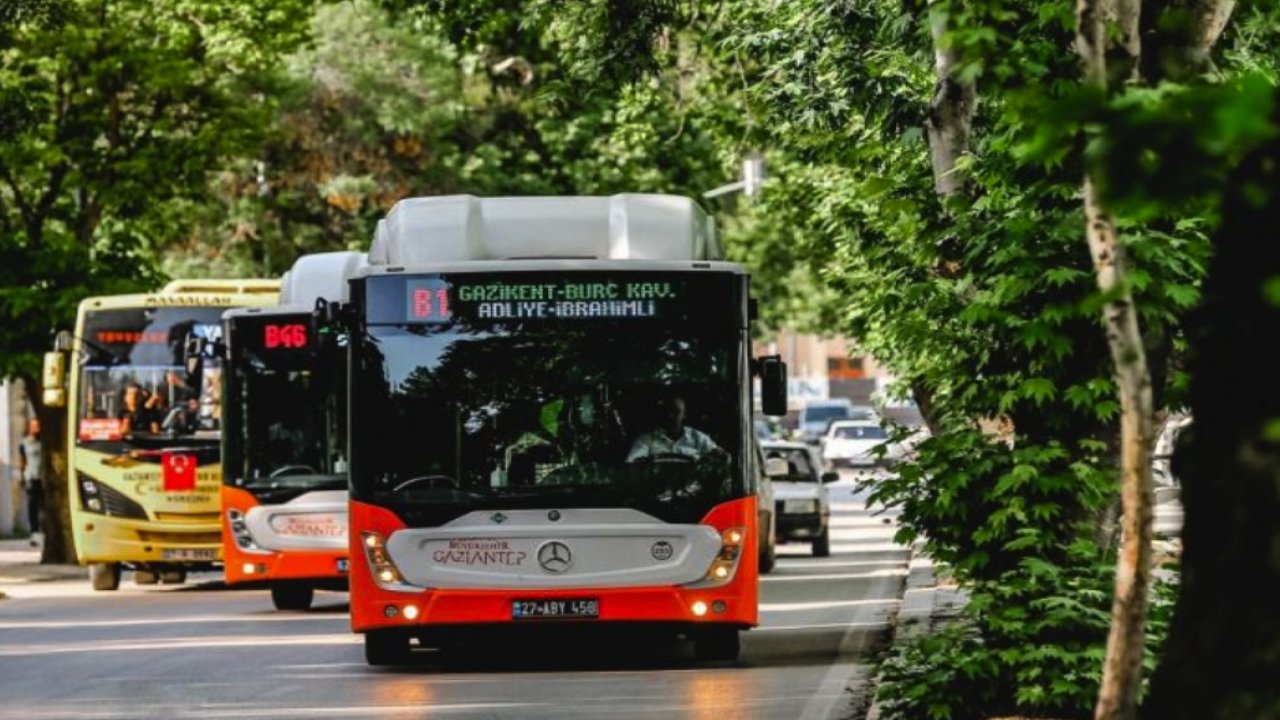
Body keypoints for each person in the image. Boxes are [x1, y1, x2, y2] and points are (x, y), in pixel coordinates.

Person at [626, 395, 721, 462]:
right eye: (667, 411)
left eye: (676, 412)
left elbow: (721, 457)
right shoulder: (646, 439)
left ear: (684, 415)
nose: (670, 415)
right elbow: (632, 464)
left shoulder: (698, 438)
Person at [17, 419, 43, 547]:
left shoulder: (45, 442)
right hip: (31, 477)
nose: (35, 428)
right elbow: (23, 461)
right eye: (33, 426)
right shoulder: (25, 443)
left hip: (43, 478)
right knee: (32, 506)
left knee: (45, 507)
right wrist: (22, 477)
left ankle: (46, 531)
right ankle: (34, 532)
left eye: (37, 426)